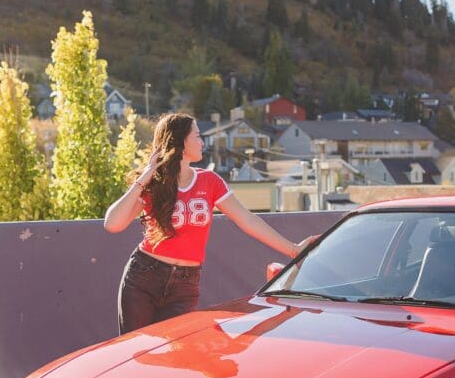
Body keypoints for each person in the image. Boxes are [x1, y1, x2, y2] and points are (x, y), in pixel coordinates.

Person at [104, 112, 311, 335]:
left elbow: (248, 220)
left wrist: (293, 249)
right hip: (144, 277)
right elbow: (112, 224)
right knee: (136, 353)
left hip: (185, 285)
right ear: (180, 142)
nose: (202, 142)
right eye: (197, 136)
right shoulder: (153, 184)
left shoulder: (210, 181)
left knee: (177, 356)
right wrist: (144, 178)